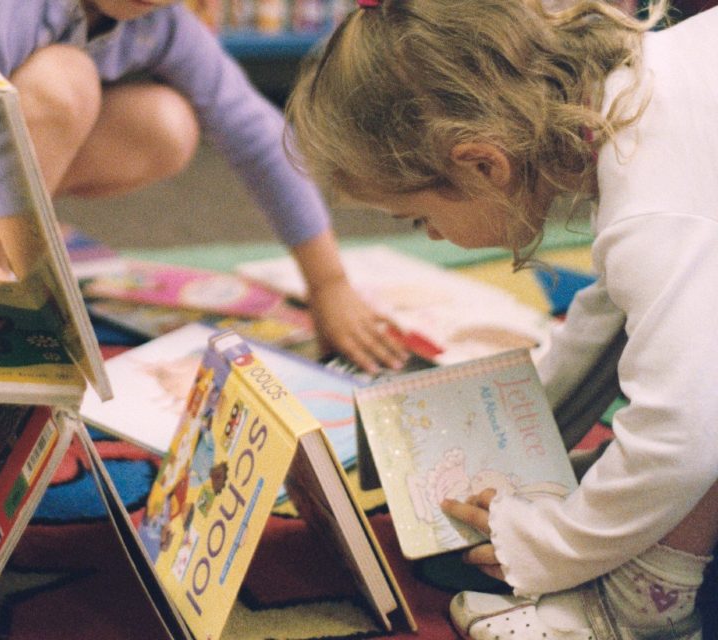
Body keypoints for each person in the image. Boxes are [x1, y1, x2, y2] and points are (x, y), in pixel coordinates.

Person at [284, 0, 718, 638]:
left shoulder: (651, 209)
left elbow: (685, 438)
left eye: (418, 216)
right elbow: (620, 313)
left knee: (688, 419)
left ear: (482, 164)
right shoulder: (637, 108)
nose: (430, 234)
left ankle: (639, 608)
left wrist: (552, 545)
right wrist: (524, 443)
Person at [0, 0, 412, 373]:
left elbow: (251, 129)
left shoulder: (155, 19)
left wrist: (328, 282)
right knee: (63, 81)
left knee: (167, 124)